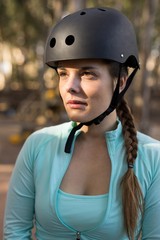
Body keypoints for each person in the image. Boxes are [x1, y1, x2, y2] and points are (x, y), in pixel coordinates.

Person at [3, 7, 160, 240]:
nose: (70, 86)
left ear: (121, 82)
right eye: (63, 73)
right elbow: (15, 231)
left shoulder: (152, 157)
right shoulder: (37, 145)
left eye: (87, 73)